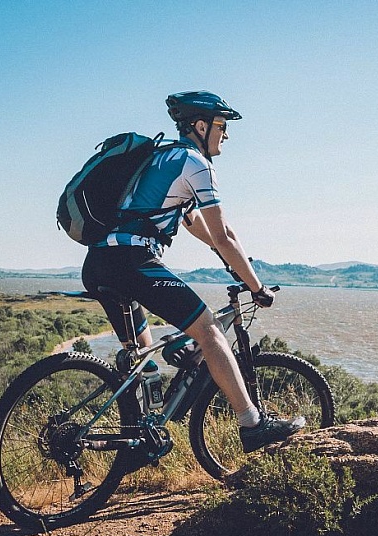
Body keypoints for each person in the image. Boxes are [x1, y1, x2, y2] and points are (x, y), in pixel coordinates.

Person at [81, 90, 304, 453]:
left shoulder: (160, 159)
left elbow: (193, 223)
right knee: (211, 332)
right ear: (200, 125)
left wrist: (222, 255)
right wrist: (256, 286)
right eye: (221, 125)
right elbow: (224, 234)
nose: (226, 134)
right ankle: (252, 424)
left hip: (99, 263)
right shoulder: (195, 164)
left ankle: (138, 439)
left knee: (142, 355)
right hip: (131, 261)